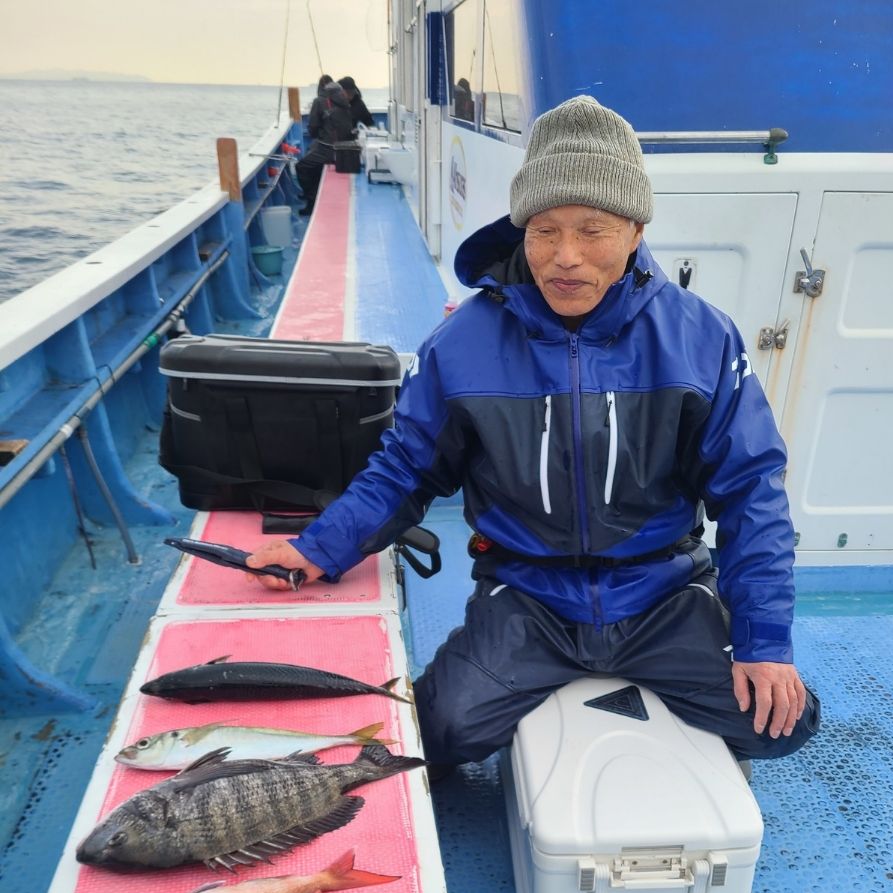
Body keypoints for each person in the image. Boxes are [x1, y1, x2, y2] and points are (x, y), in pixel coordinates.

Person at [248, 95, 820, 770]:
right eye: (543, 230)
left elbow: (751, 490)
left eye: (592, 230)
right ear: (520, 228)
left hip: (662, 594)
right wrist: (320, 548)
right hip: (527, 598)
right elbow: (406, 467)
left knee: (782, 724)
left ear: (635, 230)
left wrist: (761, 640)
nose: (565, 257)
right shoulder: (461, 343)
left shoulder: (700, 338)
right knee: (439, 733)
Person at [295, 77, 353, 215]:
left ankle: (311, 202)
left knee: (302, 167)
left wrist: (318, 134)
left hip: (330, 149)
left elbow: (313, 127)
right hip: (346, 149)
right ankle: (316, 194)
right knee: (314, 158)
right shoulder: (344, 100)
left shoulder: (319, 101)